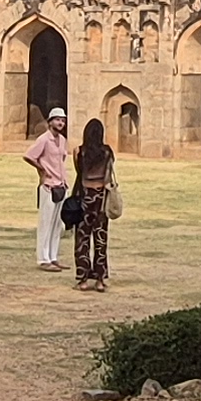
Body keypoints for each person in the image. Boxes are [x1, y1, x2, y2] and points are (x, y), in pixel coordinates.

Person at [65, 118, 117, 290]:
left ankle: (83, 279)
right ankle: (100, 279)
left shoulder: (79, 151)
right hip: (101, 198)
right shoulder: (107, 152)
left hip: (85, 197)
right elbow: (109, 173)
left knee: (82, 239)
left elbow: (79, 172)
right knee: (101, 239)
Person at [23, 106, 73, 270]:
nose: (60, 123)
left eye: (63, 120)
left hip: (61, 184)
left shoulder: (62, 140)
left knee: (57, 224)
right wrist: (42, 170)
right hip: (48, 186)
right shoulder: (44, 139)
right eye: (57, 120)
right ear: (50, 122)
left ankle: (53, 256)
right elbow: (29, 156)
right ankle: (43, 259)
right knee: (45, 223)